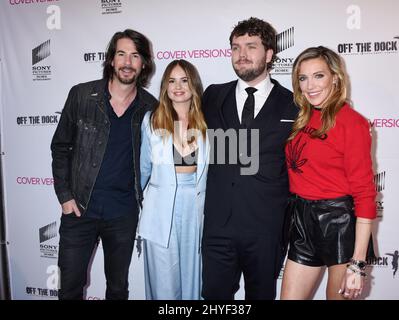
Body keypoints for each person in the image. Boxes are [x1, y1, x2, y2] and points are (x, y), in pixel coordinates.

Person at [50, 29, 157, 300]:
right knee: (69, 288)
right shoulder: (82, 95)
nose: (127, 62)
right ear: (111, 59)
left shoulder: (150, 107)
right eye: (121, 54)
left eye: (135, 56)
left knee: (118, 288)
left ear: (143, 63)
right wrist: (65, 196)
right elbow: (61, 147)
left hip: (122, 213)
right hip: (79, 210)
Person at [201, 17, 298, 300]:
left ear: (269, 54)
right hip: (218, 227)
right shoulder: (212, 96)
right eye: (236, 47)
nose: (241, 55)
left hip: (266, 230)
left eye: (251, 47)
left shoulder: (293, 104)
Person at [280, 46, 377, 300]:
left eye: (318, 76)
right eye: (303, 78)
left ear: (335, 77)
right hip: (302, 221)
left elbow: (365, 193)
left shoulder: (353, 123)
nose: (310, 85)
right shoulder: (301, 118)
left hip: (339, 224)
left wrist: (357, 264)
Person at [139, 59, 209, 300]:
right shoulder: (151, 121)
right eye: (171, 81)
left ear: (194, 84)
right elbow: (142, 171)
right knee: (163, 282)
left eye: (184, 80)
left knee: (194, 278)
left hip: (196, 208)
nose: (178, 86)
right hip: (159, 209)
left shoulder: (207, 123)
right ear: (164, 87)